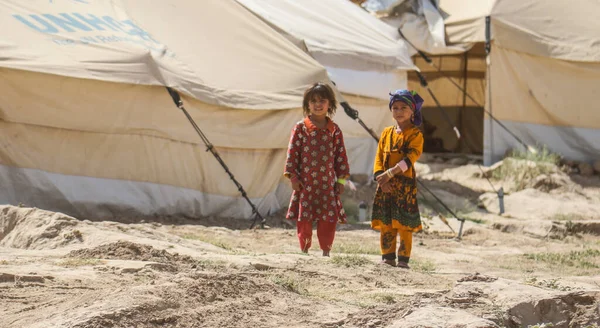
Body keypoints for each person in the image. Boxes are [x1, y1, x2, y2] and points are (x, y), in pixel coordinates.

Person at [284, 82, 350, 256]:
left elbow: (340, 157)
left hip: (327, 185)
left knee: (328, 219)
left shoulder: (334, 130)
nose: (318, 104)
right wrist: (294, 178)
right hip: (306, 184)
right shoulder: (301, 128)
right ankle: (304, 249)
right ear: (307, 105)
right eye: (313, 101)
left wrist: (341, 180)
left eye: (322, 100)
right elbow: (292, 154)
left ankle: (326, 251)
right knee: (304, 219)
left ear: (330, 104)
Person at [371, 89, 425, 268]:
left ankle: (403, 259)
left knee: (403, 224)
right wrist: (381, 177)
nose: (399, 111)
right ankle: (387, 257)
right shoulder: (387, 133)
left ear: (412, 111)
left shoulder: (415, 135)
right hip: (385, 185)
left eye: (403, 107)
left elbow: (409, 159)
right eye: (395, 107)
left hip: (405, 188)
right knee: (387, 223)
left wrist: (390, 174)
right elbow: (379, 157)